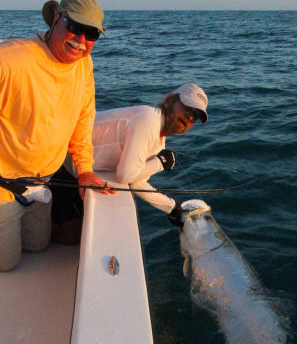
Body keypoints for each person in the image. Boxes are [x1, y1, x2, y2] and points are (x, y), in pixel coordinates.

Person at [0, 0, 114, 271]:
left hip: (43, 182)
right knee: (7, 264)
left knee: (38, 246)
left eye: (92, 34)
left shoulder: (84, 65)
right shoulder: (11, 60)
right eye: (75, 27)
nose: (81, 41)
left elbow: (84, 118)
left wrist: (85, 169)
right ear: (56, 18)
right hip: (2, 185)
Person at [51, 83, 208, 239]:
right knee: (70, 237)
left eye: (195, 116)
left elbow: (136, 181)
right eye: (187, 108)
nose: (190, 117)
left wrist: (172, 208)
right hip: (60, 163)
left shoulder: (158, 140)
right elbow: (125, 176)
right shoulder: (149, 120)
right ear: (169, 101)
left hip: (77, 171)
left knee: (81, 235)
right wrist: (159, 163)